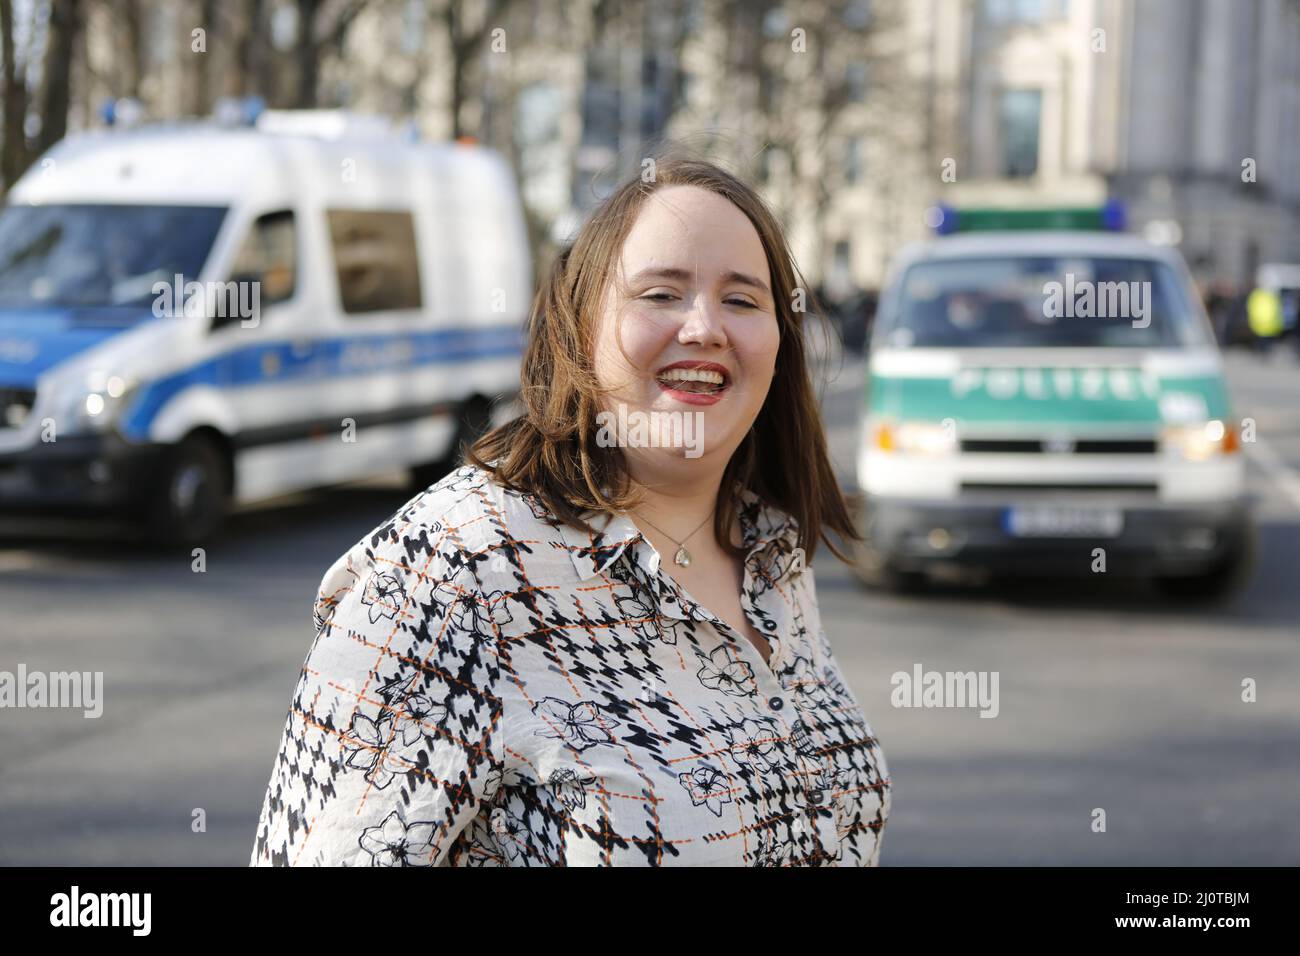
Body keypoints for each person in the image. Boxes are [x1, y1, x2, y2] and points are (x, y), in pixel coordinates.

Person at [248, 155, 892, 867]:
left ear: (781, 344)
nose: (706, 327)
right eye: (660, 293)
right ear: (581, 328)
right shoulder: (454, 564)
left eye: (743, 300)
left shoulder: (772, 553)